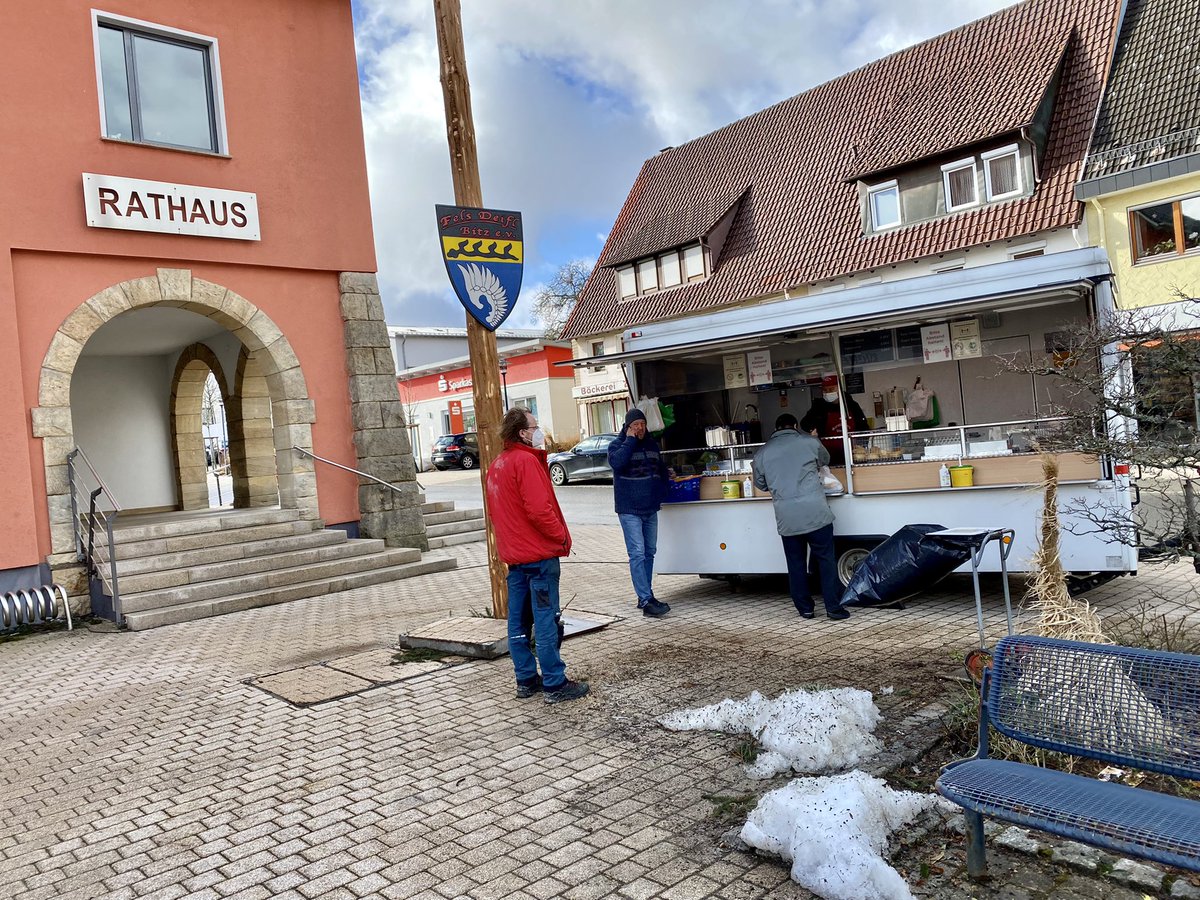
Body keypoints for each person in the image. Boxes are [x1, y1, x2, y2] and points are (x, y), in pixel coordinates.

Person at [485, 407, 590, 703]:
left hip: (515, 559)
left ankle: (526, 679)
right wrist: (560, 536)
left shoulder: (497, 465)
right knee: (546, 620)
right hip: (539, 557)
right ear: (522, 432)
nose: (538, 430)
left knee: (518, 623)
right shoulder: (525, 463)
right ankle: (555, 684)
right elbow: (538, 510)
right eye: (534, 426)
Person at [752, 412, 850, 621]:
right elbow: (825, 460)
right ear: (795, 426)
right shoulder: (809, 442)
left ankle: (805, 609)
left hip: (787, 518)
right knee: (826, 561)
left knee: (796, 564)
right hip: (816, 513)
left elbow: (760, 484)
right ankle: (834, 608)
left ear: (776, 429)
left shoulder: (762, 453)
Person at [608, 408, 671, 617]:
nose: (640, 428)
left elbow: (660, 470)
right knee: (636, 553)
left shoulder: (652, 445)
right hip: (629, 510)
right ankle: (646, 600)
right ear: (627, 427)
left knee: (649, 552)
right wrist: (630, 441)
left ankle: (646, 593)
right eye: (635, 425)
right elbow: (617, 463)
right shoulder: (618, 445)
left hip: (650, 507)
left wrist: (665, 484)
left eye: (642, 424)